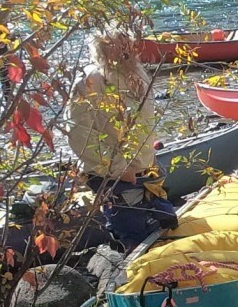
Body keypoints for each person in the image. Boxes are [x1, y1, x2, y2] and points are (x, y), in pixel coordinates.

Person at [67, 26, 177, 249]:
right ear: (101, 50)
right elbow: (80, 135)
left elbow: (144, 123)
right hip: (114, 175)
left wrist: (149, 159)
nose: (124, 50)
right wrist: (119, 169)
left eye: (126, 43)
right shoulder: (88, 82)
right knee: (135, 238)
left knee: (167, 224)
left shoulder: (137, 73)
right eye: (115, 45)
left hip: (145, 171)